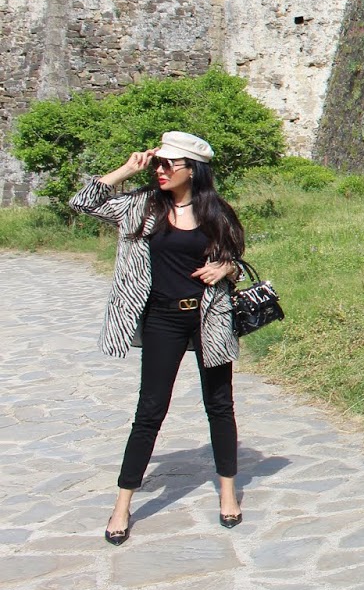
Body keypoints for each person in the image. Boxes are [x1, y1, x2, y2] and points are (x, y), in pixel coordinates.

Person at [69, 131, 246, 545]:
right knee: (150, 411)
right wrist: (128, 169)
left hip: (209, 318)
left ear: (193, 169)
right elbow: (82, 203)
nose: (161, 170)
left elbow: (235, 258)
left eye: (170, 164)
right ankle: (122, 504)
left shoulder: (216, 212)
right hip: (162, 320)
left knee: (220, 405)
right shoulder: (142, 207)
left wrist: (226, 270)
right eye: (159, 163)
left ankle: (227, 493)